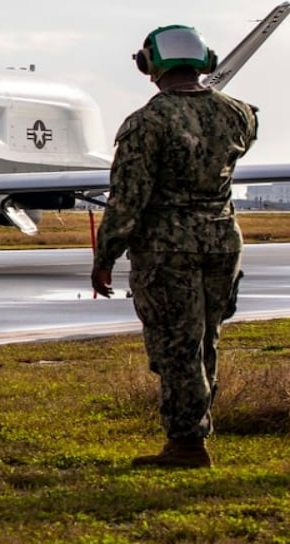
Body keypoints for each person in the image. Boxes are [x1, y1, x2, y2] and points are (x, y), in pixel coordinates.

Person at [91, 23, 259, 469]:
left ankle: (186, 444)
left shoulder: (147, 123)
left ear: (150, 65)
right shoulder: (240, 114)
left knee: (176, 346)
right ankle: (196, 431)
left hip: (169, 250)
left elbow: (128, 199)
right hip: (223, 242)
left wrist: (105, 255)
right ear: (205, 61)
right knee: (206, 339)